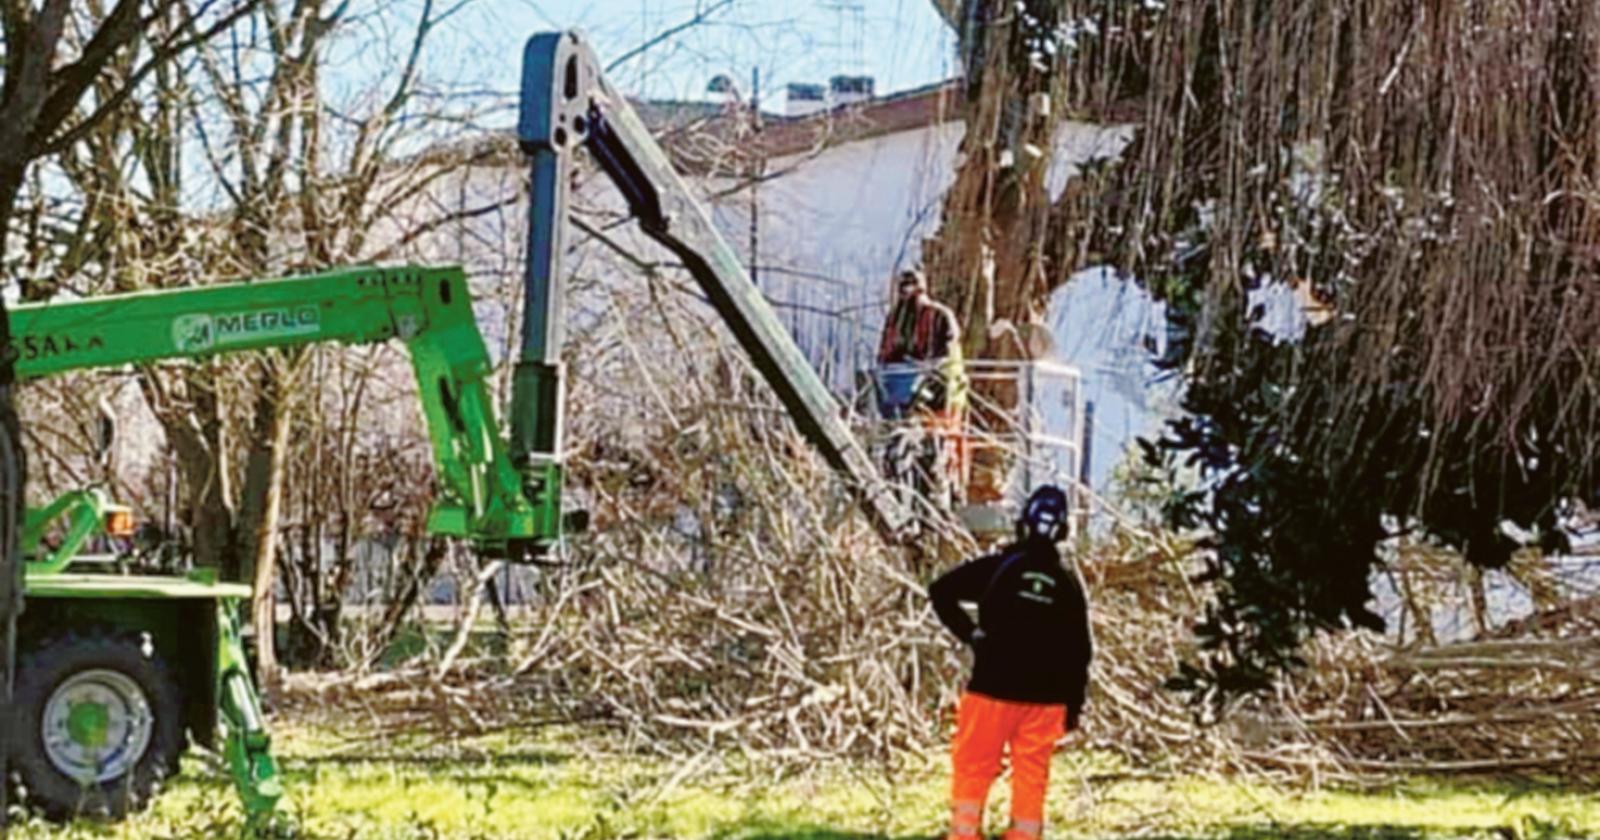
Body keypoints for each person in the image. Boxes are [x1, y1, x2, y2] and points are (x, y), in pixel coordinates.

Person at [928, 485, 1093, 840]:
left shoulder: (998, 568)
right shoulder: (1067, 586)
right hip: (1045, 702)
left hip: (991, 691)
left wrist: (971, 635)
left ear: (1023, 524)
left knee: (973, 769)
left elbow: (940, 591)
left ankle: (965, 835)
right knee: (1031, 777)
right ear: (1063, 531)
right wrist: (1073, 707)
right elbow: (1080, 653)